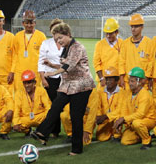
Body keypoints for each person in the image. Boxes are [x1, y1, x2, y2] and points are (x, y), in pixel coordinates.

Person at [31, 22, 95, 155]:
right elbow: (63, 65)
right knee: (56, 106)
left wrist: (52, 73)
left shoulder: (77, 47)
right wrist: (51, 65)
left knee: (75, 117)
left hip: (82, 85)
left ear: (68, 34)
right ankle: (42, 132)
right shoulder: (66, 48)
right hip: (69, 84)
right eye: (56, 40)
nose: (59, 41)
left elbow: (68, 67)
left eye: (60, 38)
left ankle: (77, 149)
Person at [113, 67, 156, 150]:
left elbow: (141, 114)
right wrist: (121, 120)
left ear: (139, 82)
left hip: (148, 120)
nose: (130, 83)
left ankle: (147, 141)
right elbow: (124, 109)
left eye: (132, 81)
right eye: (129, 81)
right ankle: (142, 134)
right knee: (125, 141)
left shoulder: (145, 95)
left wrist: (124, 119)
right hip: (133, 121)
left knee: (137, 123)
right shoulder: (128, 93)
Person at [38, 18, 64, 137]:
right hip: (50, 78)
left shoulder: (67, 43)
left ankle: (70, 131)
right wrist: (43, 79)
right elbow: (40, 62)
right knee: (53, 105)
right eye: (54, 28)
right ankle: (54, 131)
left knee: (62, 105)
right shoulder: (46, 43)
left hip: (64, 78)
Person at [14, 10, 46, 91]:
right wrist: (12, 71)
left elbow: (45, 56)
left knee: (35, 96)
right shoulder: (17, 36)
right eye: (26, 23)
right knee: (20, 95)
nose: (29, 25)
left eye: (31, 23)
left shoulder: (41, 36)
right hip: (20, 71)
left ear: (35, 23)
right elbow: (15, 55)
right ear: (23, 23)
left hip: (35, 71)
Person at [119, 14, 152, 90]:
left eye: (136, 26)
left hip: (143, 82)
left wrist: (146, 78)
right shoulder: (125, 43)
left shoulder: (149, 43)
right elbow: (121, 61)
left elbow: (151, 63)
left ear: (142, 27)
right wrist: (121, 78)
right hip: (128, 82)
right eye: (132, 26)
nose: (133, 29)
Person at [13, 70, 51, 136]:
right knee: (15, 123)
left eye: (29, 82)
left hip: (40, 117)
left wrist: (48, 120)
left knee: (51, 115)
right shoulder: (18, 93)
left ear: (34, 82)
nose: (27, 85)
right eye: (25, 83)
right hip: (26, 118)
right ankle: (28, 131)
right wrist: (16, 123)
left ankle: (40, 129)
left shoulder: (41, 91)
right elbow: (17, 109)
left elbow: (48, 107)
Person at [95, 66, 124, 142]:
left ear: (117, 80)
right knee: (101, 138)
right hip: (105, 119)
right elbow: (97, 106)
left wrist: (106, 116)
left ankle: (117, 135)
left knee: (119, 117)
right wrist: (98, 116)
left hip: (114, 118)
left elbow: (121, 110)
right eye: (107, 79)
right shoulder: (100, 91)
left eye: (111, 79)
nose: (108, 81)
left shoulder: (122, 92)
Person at [93, 18, 123, 88]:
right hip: (104, 81)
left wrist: (121, 78)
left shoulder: (123, 44)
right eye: (107, 33)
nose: (108, 36)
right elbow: (96, 63)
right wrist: (101, 78)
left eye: (111, 33)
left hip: (118, 81)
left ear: (117, 32)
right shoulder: (99, 44)